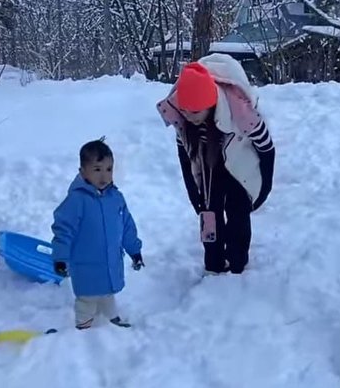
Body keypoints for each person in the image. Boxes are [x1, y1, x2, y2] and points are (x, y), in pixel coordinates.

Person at [157, 53, 275, 275]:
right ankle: (214, 262)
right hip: (209, 169)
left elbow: (267, 148)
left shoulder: (240, 111)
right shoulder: (182, 117)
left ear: (210, 104)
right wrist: (194, 193)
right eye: (184, 110)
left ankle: (238, 262)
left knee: (238, 214)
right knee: (209, 214)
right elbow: (185, 157)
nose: (188, 116)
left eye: (194, 112)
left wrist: (265, 187)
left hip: (240, 169)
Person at [51, 139, 144, 329]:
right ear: (83, 172)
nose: (104, 175)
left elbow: (127, 226)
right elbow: (63, 230)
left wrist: (135, 251)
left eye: (109, 169)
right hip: (86, 267)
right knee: (87, 300)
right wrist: (61, 258)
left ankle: (111, 321)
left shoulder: (116, 198)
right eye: (97, 169)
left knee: (108, 296)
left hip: (110, 264)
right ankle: (83, 328)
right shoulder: (77, 200)